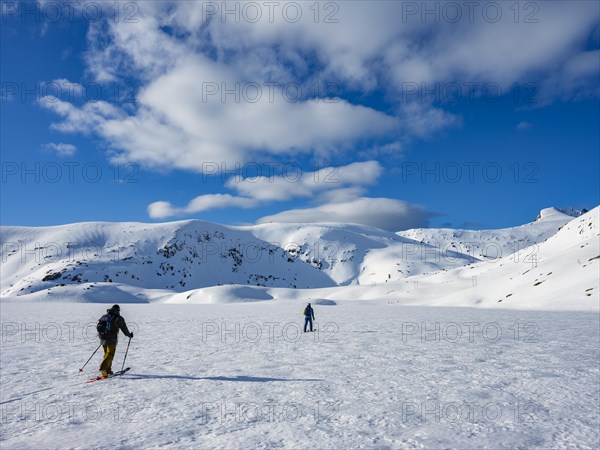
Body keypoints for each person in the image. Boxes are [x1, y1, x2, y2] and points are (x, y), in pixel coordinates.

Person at [99, 304, 133, 377]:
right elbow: (124, 328)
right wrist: (129, 335)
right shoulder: (118, 318)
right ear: (118, 310)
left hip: (102, 338)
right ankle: (103, 369)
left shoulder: (104, 316)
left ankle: (108, 370)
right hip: (111, 339)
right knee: (110, 354)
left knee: (106, 353)